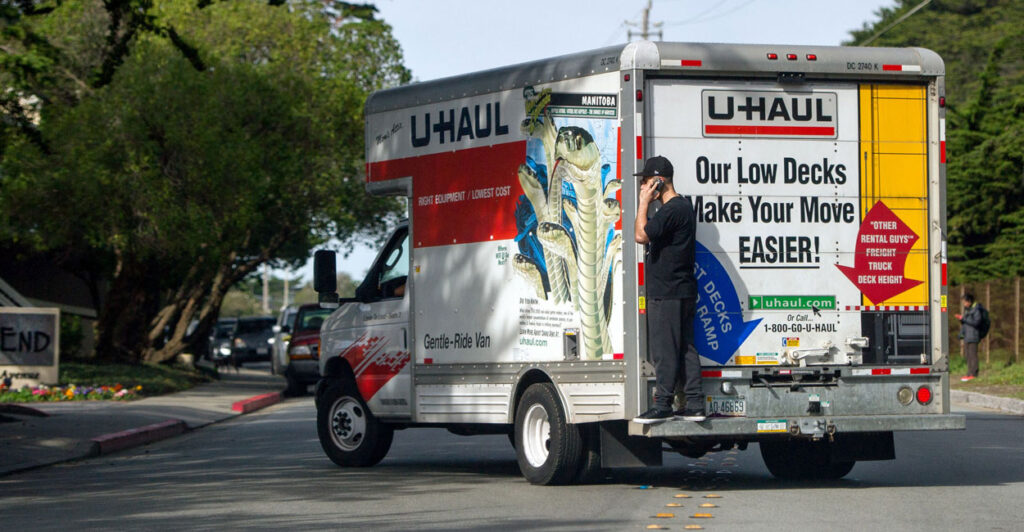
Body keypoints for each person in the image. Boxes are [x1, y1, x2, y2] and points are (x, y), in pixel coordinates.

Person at [631, 155, 704, 424]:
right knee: (685, 347)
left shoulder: (672, 209)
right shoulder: (683, 207)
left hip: (668, 291)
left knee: (665, 349)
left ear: (659, 182)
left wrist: (642, 203)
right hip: (681, 289)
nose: (643, 187)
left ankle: (663, 404)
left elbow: (641, 235)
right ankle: (694, 403)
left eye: (647, 182)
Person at [956, 293, 983, 382]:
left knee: (973, 355)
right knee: (968, 355)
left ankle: (974, 373)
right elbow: (965, 324)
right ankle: (969, 373)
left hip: (973, 336)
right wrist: (961, 333)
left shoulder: (976, 310)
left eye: (965, 302)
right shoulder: (968, 310)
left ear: (969, 301)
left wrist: (963, 319)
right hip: (967, 336)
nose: (964, 304)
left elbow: (976, 322)